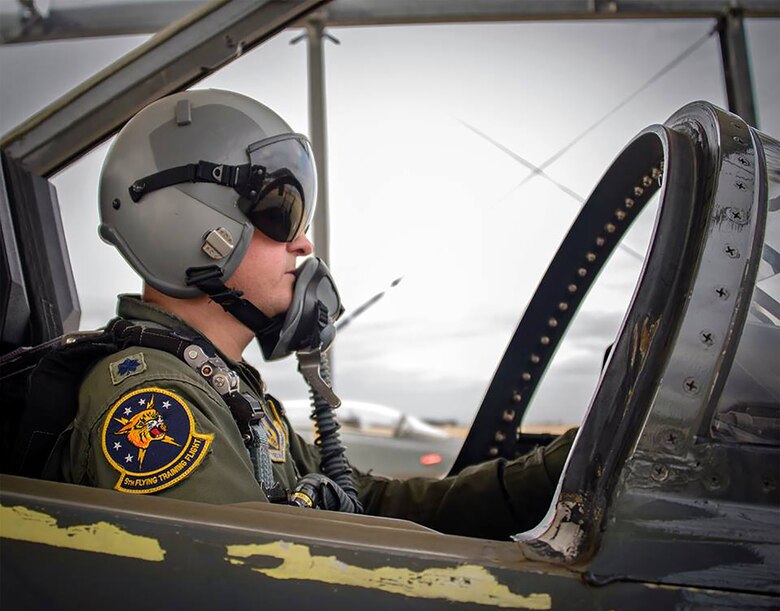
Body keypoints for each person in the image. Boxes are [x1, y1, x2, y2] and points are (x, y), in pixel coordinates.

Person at [57, 89, 575, 540]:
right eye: (282, 212)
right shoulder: (155, 404)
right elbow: (239, 591)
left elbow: (369, 503)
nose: (304, 243)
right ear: (187, 229)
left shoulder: (223, 389)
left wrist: (558, 468)